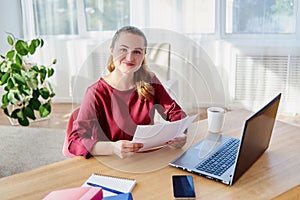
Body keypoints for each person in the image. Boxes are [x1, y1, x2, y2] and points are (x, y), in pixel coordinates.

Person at [66, 26, 187, 159]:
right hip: (111, 161)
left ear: (143, 55)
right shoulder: (96, 92)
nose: (129, 58)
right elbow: (74, 141)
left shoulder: (150, 81)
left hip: (144, 158)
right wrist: (112, 148)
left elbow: (176, 114)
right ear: (112, 50)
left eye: (137, 52)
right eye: (123, 49)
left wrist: (180, 134)